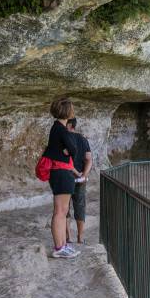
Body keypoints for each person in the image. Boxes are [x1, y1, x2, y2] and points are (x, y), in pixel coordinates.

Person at [44, 98, 80, 259]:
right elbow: (74, 149)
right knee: (60, 212)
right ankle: (59, 247)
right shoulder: (62, 130)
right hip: (62, 173)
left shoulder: (56, 128)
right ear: (68, 112)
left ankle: (62, 245)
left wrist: (66, 151)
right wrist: (68, 150)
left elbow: (57, 150)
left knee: (62, 211)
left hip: (59, 173)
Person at [64, 117, 92, 245]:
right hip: (80, 178)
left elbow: (65, 162)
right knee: (80, 206)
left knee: (64, 208)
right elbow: (89, 159)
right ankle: (80, 238)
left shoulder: (64, 139)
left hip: (64, 177)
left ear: (69, 124)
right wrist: (84, 175)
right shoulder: (83, 139)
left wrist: (77, 173)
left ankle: (68, 237)